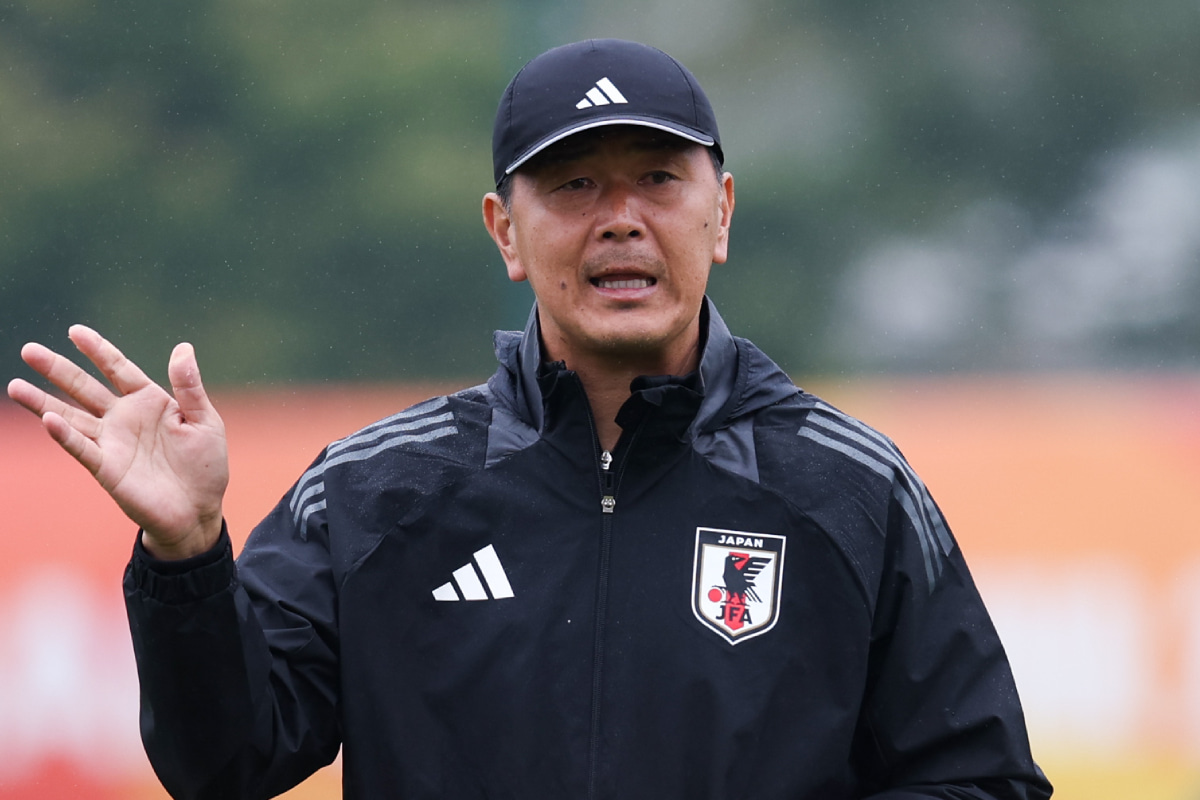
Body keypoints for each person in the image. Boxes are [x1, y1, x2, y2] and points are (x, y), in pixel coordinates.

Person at [7, 39, 1052, 800]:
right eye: (575, 185)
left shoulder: (850, 487)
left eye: (658, 178)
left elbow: (981, 777)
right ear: (506, 231)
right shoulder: (375, 493)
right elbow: (225, 761)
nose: (622, 219)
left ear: (721, 211)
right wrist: (188, 556)